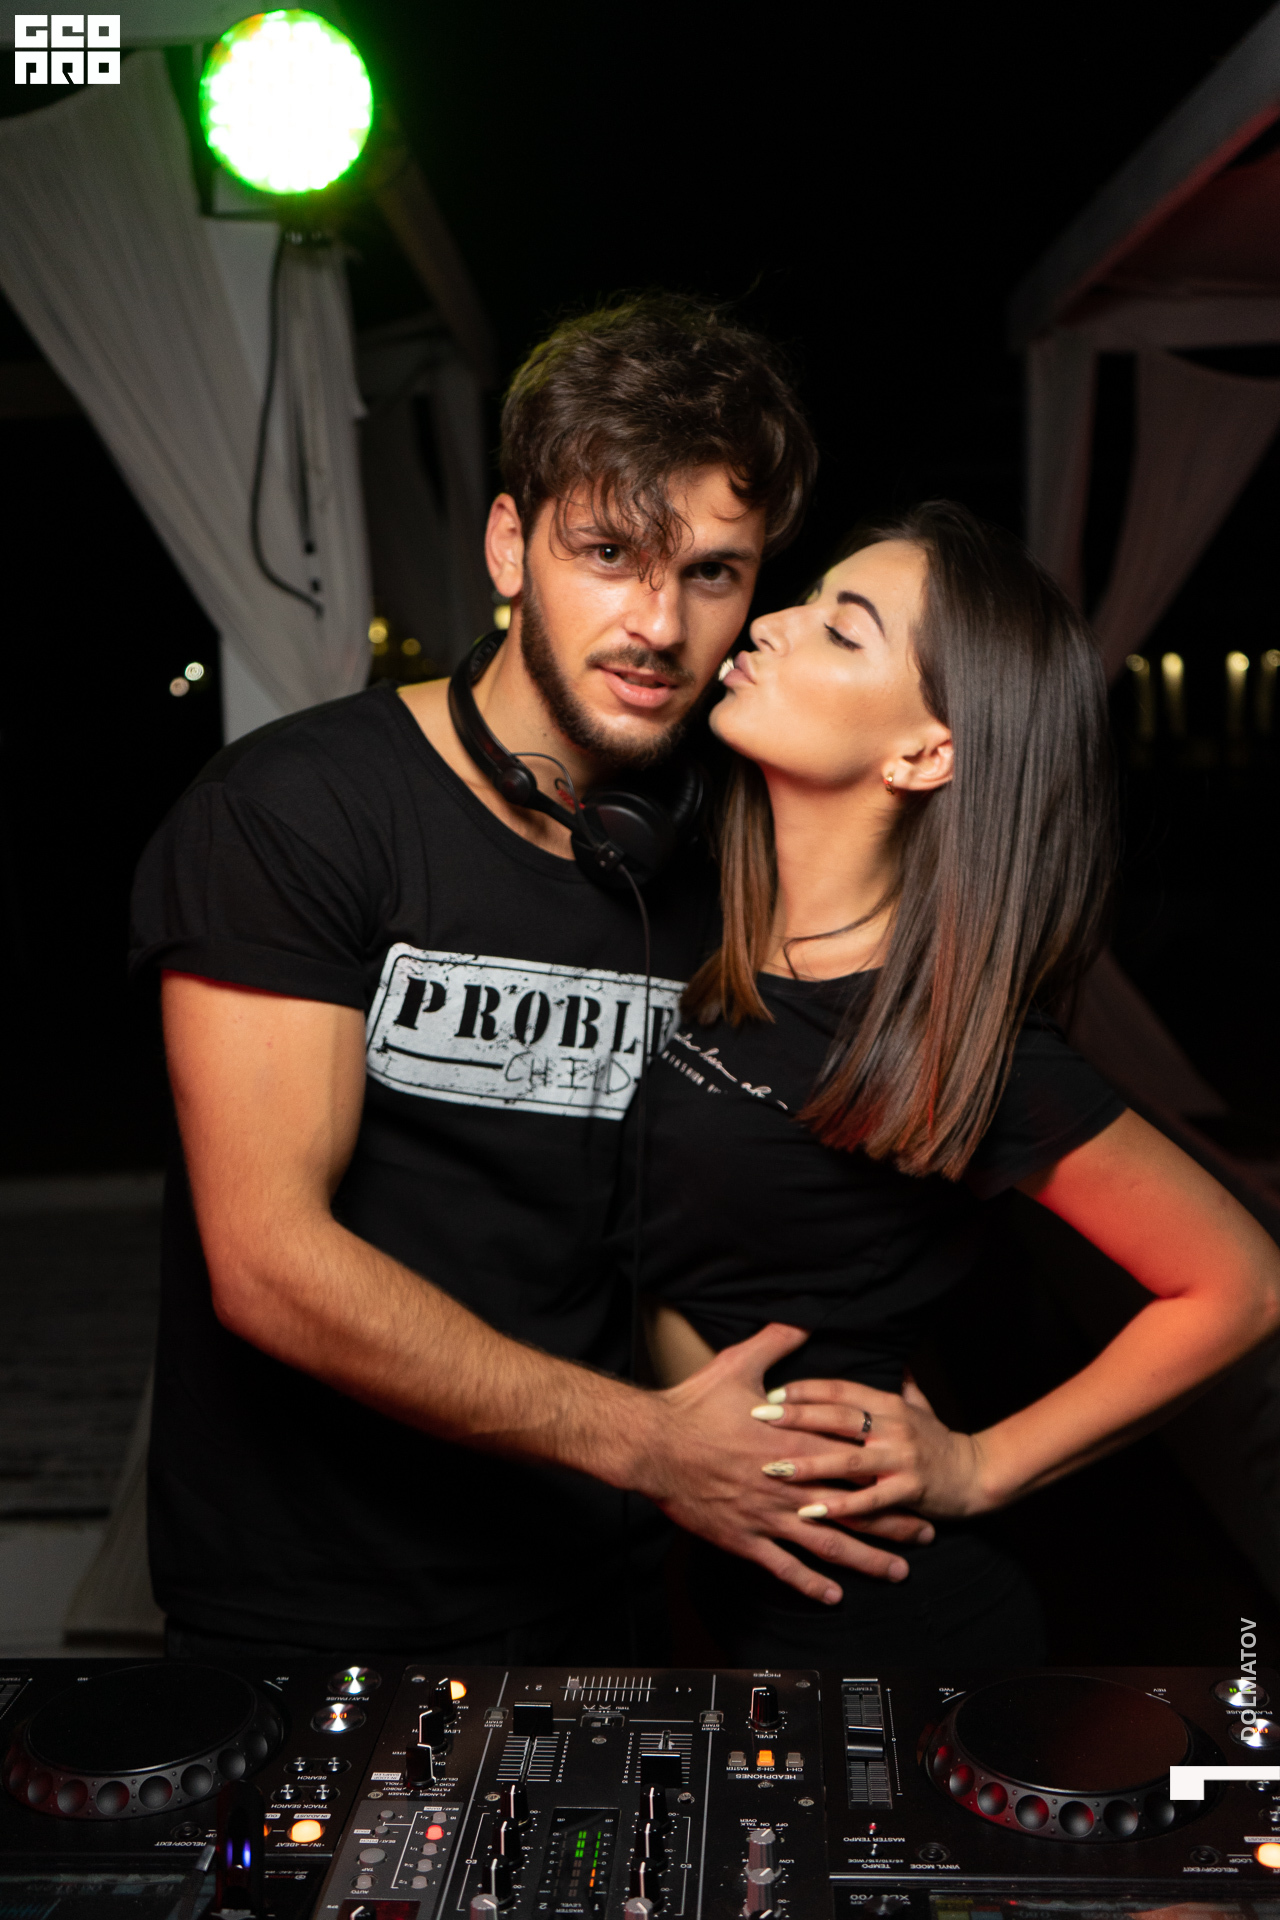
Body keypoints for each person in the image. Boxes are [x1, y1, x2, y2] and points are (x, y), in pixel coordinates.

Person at [129, 292, 929, 1666]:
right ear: (510, 545)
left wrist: (889, 1441)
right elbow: (268, 1263)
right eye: (608, 553)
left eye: (712, 573)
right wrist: (651, 1444)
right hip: (310, 1610)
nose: (658, 624)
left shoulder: (727, 850)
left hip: (608, 1590)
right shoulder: (295, 813)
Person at [634, 500, 1280, 1665]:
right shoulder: (710, 935)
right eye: (806, 600)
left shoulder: (948, 1043)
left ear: (924, 753)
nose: (771, 622)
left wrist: (978, 1465)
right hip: (712, 1590)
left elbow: (1237, 1283)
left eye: (842, 629)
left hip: (880, 1620)